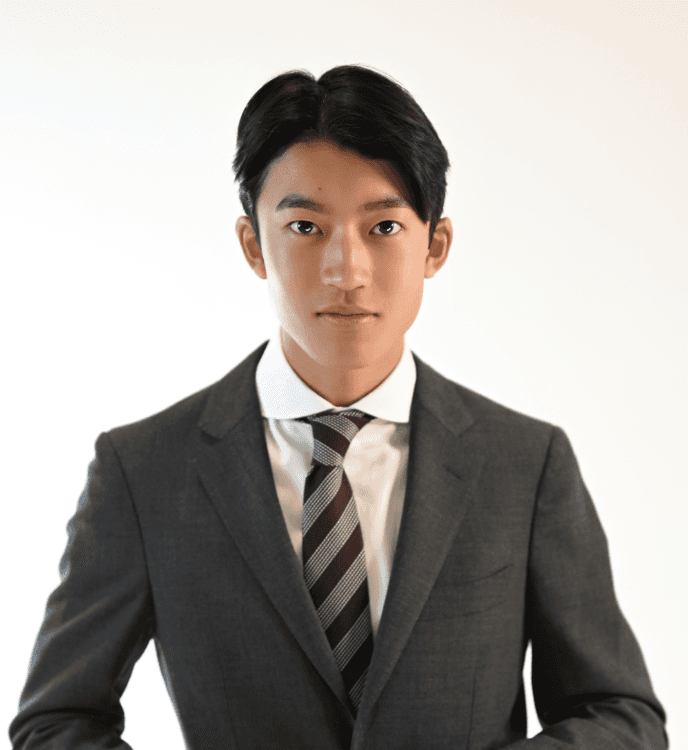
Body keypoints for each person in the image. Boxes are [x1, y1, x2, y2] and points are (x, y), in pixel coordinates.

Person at [9, 64, 667, 750]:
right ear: (251, 245)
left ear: (434, 246)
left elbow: (621, 716)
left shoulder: (526, 466)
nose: (345, 269)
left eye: (383, 226)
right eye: (304, 226)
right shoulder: (143, 471)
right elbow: (55, 722)